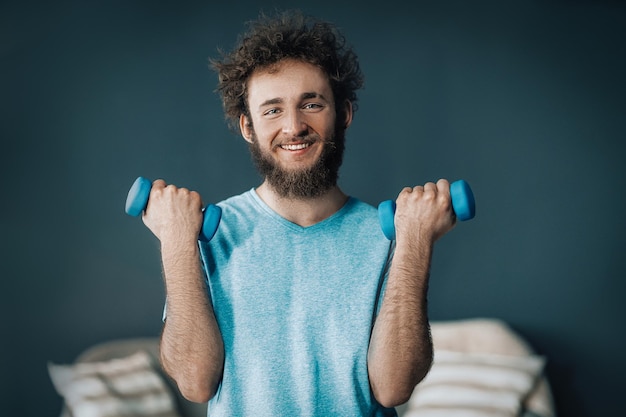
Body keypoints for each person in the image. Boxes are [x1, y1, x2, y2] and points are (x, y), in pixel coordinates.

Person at [142, 9, 456, 417]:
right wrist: (175, 240)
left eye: (311, 104)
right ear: (248, 127)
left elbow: (393, 387)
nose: (293, 126)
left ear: (343, 114)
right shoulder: (205, 234)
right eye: (272, 110)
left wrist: (415, 241)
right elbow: (195, 381)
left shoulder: (393, 235)